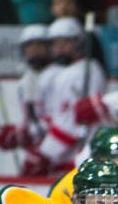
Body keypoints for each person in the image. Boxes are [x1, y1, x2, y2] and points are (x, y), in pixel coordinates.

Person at [36, 17, 108, 176]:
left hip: (79, 153)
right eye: (55, 44)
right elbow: (54, 117)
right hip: (62, 154)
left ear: (78, 43)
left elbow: (71, 124)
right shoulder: (57, 73)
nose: (59, 49)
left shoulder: (88, 70)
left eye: (65, 43)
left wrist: (45, 154)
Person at [0, 24, 55, 175]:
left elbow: (58, 119)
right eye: (29, 46)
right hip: (37, 150)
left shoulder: (58, 75)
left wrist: (25, 135)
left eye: (39, 44)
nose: (34, 50)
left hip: (58, 149)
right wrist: (16, 135)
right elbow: (30, 119)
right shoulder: (25, 81)